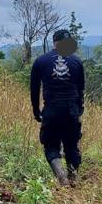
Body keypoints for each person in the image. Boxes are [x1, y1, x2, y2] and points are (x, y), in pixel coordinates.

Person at [30, 29, 85, 186]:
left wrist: (36, 111)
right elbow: (81, 89)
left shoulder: (41, 61)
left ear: (54, 42)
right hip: (71, 110)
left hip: (52, 110)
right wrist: (79, 108)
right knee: (71, 145)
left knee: (51, 145)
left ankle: (62, 178)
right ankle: (73, 178)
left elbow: (34, 89)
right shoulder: (77, 61)